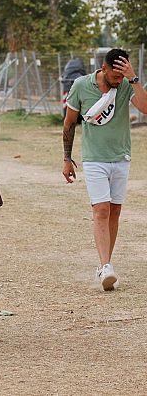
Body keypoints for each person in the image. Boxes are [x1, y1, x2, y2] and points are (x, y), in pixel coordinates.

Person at [63, 48, 146, 291]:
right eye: (115, 76)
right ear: (104, 68)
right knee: (101, 209)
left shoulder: (126, 83)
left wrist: (133, 78)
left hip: (121, 157)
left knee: (115, 211)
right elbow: (69, 124)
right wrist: (67, 158)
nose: (118, 81)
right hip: (94, 159)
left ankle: (104, 266)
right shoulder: (81, 85)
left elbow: (145, 108)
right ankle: (106, 264)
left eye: (122, 76)